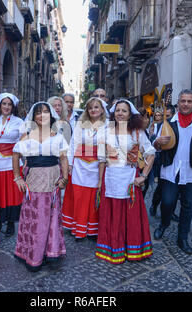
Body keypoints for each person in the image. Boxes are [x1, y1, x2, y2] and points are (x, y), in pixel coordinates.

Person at [96, 99, 155, 264]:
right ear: (114, 113)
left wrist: (143, 175)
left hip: (130, 178)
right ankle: (114, 248)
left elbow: (151, 153)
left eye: (124, 111)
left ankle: (132, 250)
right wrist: (100, 182)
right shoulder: (106, 131)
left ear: (130, 115)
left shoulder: (137, 133)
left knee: (130, 214)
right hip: (111, 177)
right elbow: (101, 159)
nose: (120, 113)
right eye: (118, 110)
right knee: (113, 213)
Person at [153, 90, 192, 255]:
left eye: (189, 101)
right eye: (183, 101)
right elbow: (156, 148)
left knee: (187, 206)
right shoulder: (168, 123)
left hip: (191, 172)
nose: (186, 104)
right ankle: (164, 224)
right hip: (170, 170)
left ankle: (182, 238)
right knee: (167, 202)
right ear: (178, 103)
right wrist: (157, 142)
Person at [12, 101, 69, 272]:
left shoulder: (57, 136)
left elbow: (64, 158)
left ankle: (49, 252)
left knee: (50, 217)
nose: (42, 115)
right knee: (36, 218)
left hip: (52, 180)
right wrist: (17, 178)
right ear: (34, 117)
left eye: (45, 112)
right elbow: (15, 155)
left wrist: (65, 178)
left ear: (51, 115)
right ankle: (33, 255)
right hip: (33, 180)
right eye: (38, 112)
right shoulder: (27, 136)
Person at [62, 96, 107, 240]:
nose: (93, 110)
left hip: (97, 165)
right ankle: (78, 228)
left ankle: (92, 229)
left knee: (94, 196)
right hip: (79, 166)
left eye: (96, 107)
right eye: (90, 107)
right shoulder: (80, 124)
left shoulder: (108, 126)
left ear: (102, 110)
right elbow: (73, 145)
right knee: (79, 196)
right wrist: (69, 164)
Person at [0, 93, 24, 236]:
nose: (7, 107)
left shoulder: (19, 122)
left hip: (11, 163)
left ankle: (10, 223)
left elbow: (22, 142)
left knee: (12, 194)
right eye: (4, 104)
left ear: (13, 106)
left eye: (9, 104)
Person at [149, 104, 179, 221]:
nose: (167, 118)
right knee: (161, 188)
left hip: (178, 163)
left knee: (176, 192)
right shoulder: (159, 126)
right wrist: (157, 141)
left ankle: (170, 212)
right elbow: (153, 142)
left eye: (169, 116)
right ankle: (155, 204)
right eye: (165, 116)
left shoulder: (176, 124)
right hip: (164, 161)